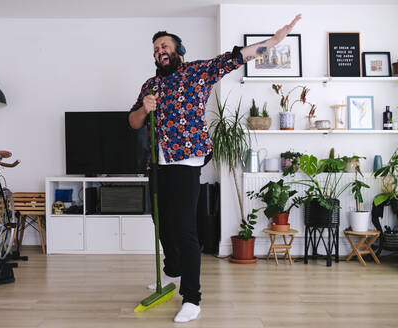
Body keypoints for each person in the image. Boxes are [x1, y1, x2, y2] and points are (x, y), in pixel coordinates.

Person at [128, 14, 302, 323]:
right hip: (158, 162)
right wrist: (145, 107)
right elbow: (133, 122)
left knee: (183, 228)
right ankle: (173, 272)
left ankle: (192, 298)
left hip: (186, 160)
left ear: (178, 50)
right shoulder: (150, 85)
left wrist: (274, 42)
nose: (159, 51)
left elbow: (235, 58)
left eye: (164, 45)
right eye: (155, 49)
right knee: (162, 222)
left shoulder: (197, 71)